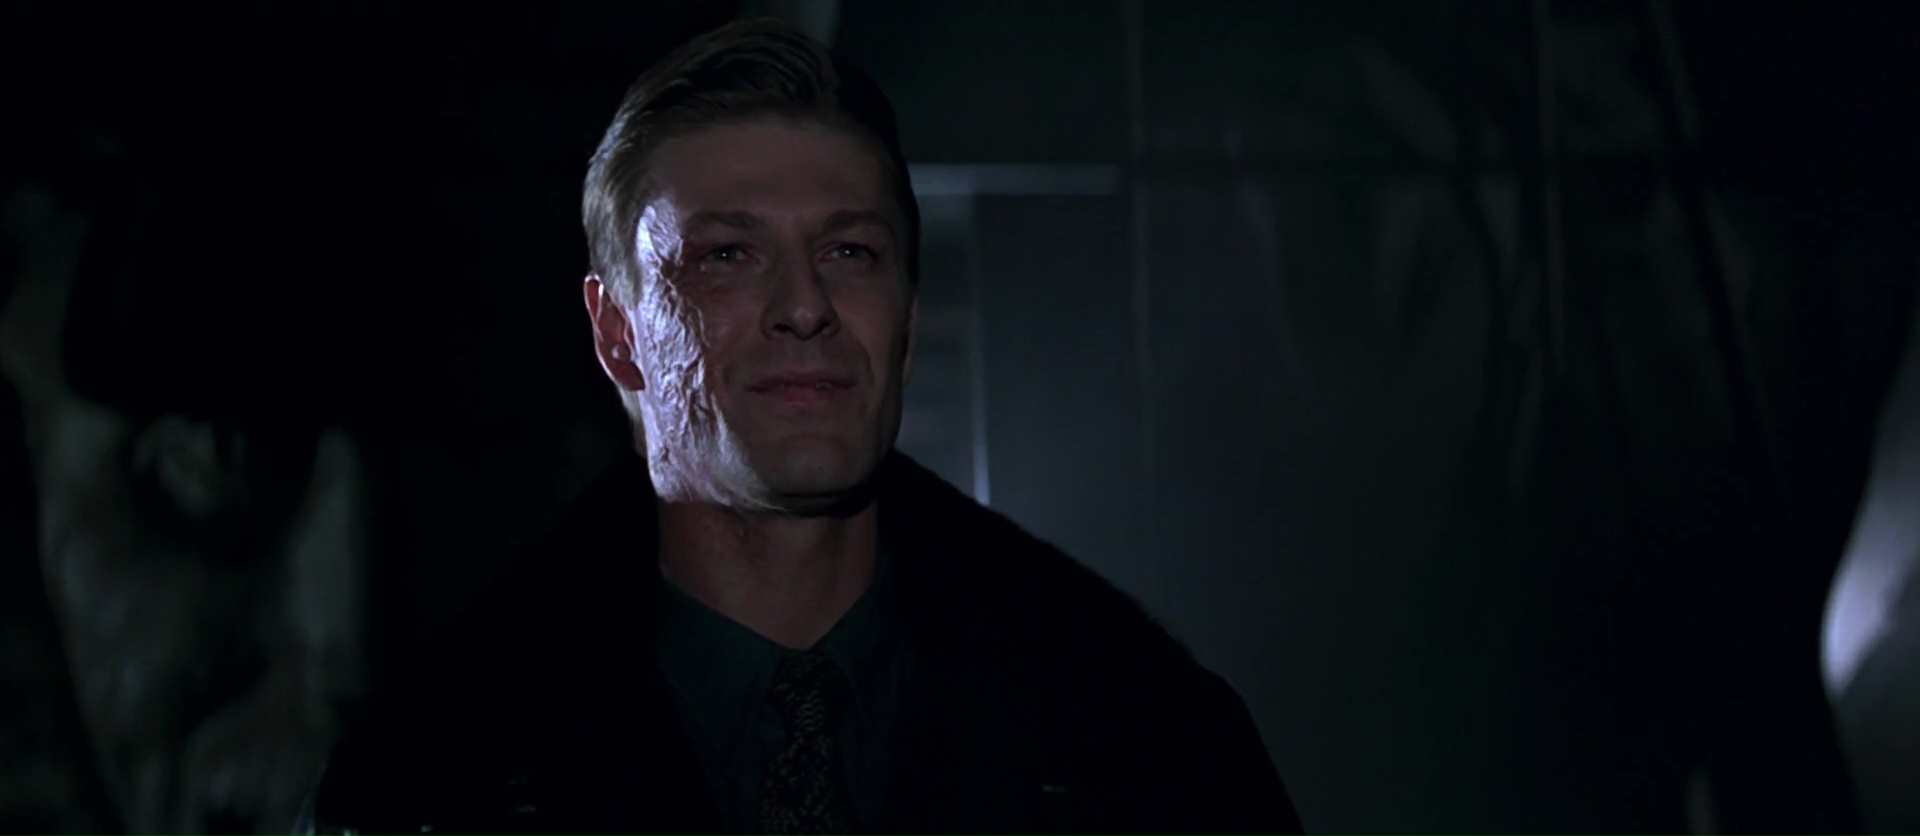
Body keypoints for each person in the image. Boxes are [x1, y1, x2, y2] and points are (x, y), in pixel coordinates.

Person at [301, 17, 1302, 836]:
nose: (805, 304)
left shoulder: (1150, 742)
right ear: (617, 333)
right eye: (727, 255)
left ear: (907, 316)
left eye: (850, 251)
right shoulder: (430, 779)